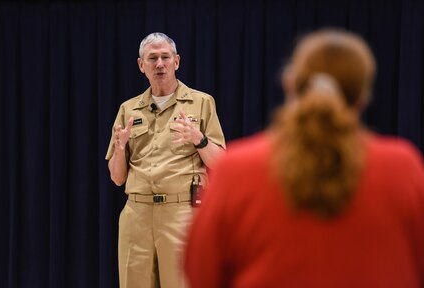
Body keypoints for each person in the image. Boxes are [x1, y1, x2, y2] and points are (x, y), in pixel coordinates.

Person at [184, 28, 424, 287]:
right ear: (363, 97)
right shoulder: (403, 168)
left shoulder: (236, 169)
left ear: (290, 83)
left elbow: (201, 272)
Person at [105, 32, 225, 288]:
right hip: (137, 214)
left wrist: (199, 139)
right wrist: (119, 149)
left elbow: (221, 163)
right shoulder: (129, 109)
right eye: (152, 58)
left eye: (165, 57)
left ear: (176, 62)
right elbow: (117, 178)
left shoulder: (201, 103)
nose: (159, 64)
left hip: (181, 213)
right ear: (141, 65)